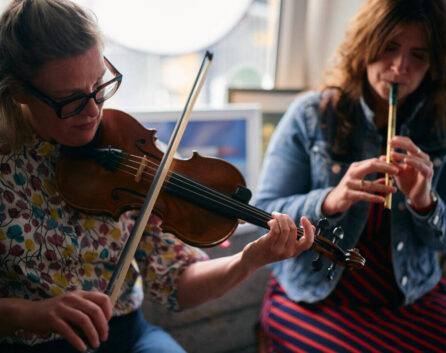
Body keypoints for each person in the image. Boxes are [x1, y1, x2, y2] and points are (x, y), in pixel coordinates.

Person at [0, 1, 316, 352]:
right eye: (70, 100)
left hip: (127, 335)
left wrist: (250, 260)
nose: (93, 112)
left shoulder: (129, 145)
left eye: (99, 85)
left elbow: (176, 283)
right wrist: (30, 314)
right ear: (19, 92)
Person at [255, 0, 446, 352]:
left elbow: (440, 243)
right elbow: (262, 212)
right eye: (390, 47)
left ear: (433, 65)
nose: (400, 67)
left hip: (409, 293)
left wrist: (425, 204)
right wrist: (331, 200)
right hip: (318, 294)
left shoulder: (438, 128)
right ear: (366, 45)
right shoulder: (312, 114)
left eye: (418, 55)